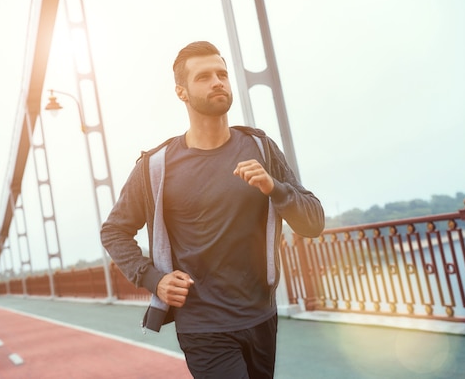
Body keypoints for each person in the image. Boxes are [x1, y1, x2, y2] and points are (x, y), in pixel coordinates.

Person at [100, 41, 324, 378]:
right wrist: (153, 279)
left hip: (262, 315)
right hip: (203, 325)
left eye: (222, 73)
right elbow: (114, 231)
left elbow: (313, 222)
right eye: (204, 77)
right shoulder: (156, 166)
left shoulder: (260, 147)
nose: (218, 81)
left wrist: (273, 188)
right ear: (182, 92)